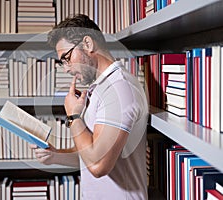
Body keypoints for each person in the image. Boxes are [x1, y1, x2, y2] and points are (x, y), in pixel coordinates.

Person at [29, 14, 149, 199]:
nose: (66, 68)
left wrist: (73, 117)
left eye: (67, 58)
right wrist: (55, 156)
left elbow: (98, 165)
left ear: (87, 44)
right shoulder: (103, 87)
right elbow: (90, 153)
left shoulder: (119, 89)